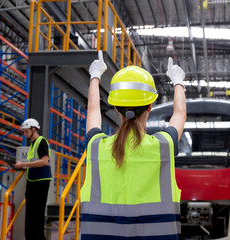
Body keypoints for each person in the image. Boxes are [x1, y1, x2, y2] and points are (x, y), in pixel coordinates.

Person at [80, 51, 187, 240]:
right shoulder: (163, 146)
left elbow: (93, 111)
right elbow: (179, 114)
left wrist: (95, 77)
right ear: (150, 106)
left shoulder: (96, 147)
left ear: (115, 107)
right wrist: (178, 81)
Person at [14, 118, 52, 240]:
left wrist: (24, 165)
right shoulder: (33, 144)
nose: (24, 134)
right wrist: (23, 166)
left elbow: (44, 161)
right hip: (33, 182)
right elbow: (34, 162)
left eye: (26, 131)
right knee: (30, 215)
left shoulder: (41, 142)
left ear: (33, 129)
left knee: (37, 216)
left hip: (40, 183)